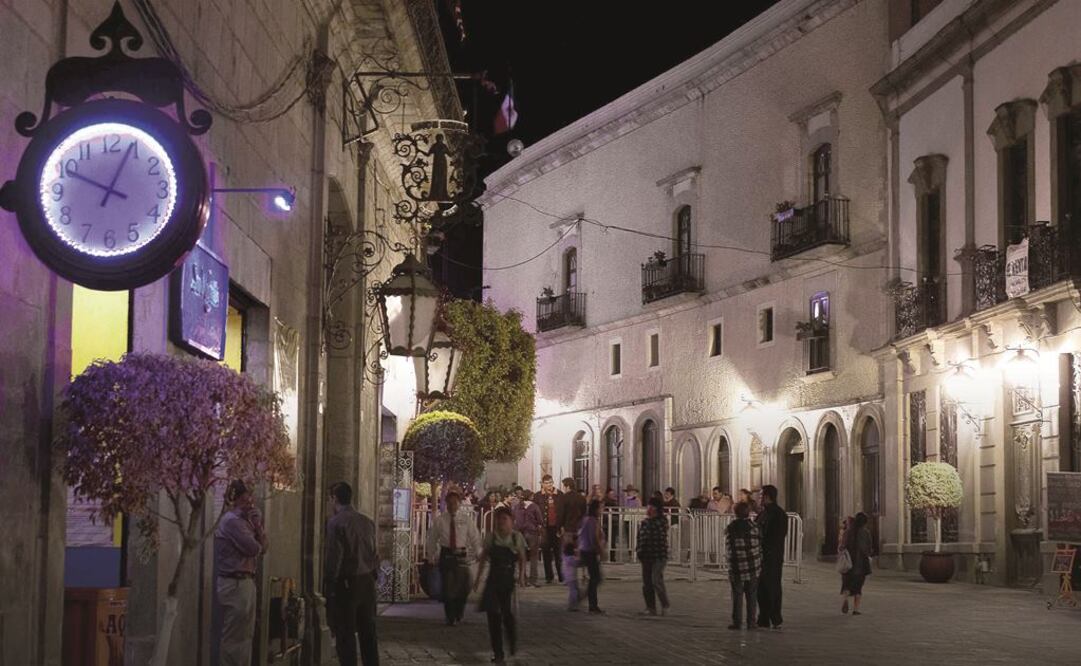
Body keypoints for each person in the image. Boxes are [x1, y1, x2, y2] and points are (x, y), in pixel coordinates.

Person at [324, 482, 380, 666]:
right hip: (368, 581)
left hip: (347, 582)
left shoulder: (336, 523)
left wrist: (330, 584)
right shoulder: (367, 521)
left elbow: (335, 557)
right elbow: (375, 553)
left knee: (345, 633)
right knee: (368, 631)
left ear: (334, 498)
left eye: (329, 499)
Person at [214, 480, 267, 666]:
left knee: (245, 636)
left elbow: (264, 547)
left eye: (250, 498)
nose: (250, 502)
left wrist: (258, 526)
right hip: (234, 583)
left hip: (245, 581)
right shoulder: (232, 522)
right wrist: (257, 532)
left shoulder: (246, 522)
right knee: (235, 639)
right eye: (245, 499)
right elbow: (254, 548)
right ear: (235, 500)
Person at [474, 507, 527, 664]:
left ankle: (512, 643)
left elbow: (522, 558)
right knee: (493, 616)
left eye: (504, 519)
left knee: (508, 615)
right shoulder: (491, 538)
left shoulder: (517, 537)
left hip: (508, 580)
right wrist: (477, 579)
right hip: (493, 580)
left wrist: (522, 576)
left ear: (512, 521)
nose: (501, 522)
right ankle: (498, 652)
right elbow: (483, 558)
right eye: (498, 519)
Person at [426, 489, 482, 625]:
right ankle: (450, 616)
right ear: (446, 504)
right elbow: (432, 539)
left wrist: (479, 552)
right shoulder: (440, 521)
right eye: (449, 503)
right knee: (448, 588)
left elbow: (474, 537)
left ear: (459, 504)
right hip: (446, 555)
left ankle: (459, 613)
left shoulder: (466, 519)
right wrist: (430, 555)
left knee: (463, 587)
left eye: (455, 503)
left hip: (461, 555)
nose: (452, 506)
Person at [755, 485, 788, 629]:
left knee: (772, 586)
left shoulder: (778, 514)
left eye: (761, 495)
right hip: (761, 555)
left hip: (772, 557)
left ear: (768, 496)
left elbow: (776, 537)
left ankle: (775, 617)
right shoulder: (762, 513)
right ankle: (763, 617)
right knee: (761, 587)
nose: (759, 498)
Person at [726, 501, 762, 630]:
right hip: (753, 566)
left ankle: (737, 622)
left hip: (736, 566)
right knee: (752, 595)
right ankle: (751, 622)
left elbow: (729, 546)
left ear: (735, 513)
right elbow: (759, 544)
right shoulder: (754, 526)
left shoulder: (731, 527)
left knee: (737, 595)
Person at [636, 497, 671, 616]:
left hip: (658, 555)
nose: (648, 508)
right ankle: (650, 607)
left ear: (655, 508)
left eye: (650, 506)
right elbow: (641, 538)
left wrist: (649, 522)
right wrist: (639, 550)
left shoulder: (661, 521)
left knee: (656, 580)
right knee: (647, 583)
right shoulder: (645, 522)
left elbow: (658, 535)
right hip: (646, 555)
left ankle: (665, 604)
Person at [840, 512, 873, 615]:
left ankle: (846, 598)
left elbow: (842, 546)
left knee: (846, 584)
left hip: (848, 563)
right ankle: (856, 609)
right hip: (861, 565)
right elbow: (868, 548)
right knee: (858, 587)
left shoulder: (847, 532)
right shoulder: (866, 533)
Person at [532, 475, 563, 583]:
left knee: (558, 552)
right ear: (542, 484)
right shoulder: (538, 496)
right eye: (546, 483)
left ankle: (561, 576)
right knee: (546, 553)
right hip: (544, 528)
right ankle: (549, 577)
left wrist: (562, 525)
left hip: (556, 527)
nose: (549, 485)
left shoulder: (559, 494)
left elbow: (563, 511)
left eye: (550, 482)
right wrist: (538, 525)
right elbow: (534, 512)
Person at [578, 499, 605, 614]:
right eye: (600, 508)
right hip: (589, 551)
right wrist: (600, 550)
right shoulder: (592, 520)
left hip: (585, 550)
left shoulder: (586, 519)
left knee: (595, 578)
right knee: (596, 578)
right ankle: (591, 604)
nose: (602, 510)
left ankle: (587, 600)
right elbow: (593, 537)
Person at [512, 488, 543, 586]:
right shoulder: (534, 506)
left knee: (522, 557)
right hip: (532, 532)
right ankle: (533, 579)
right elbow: (540, 520)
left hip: (520, 533)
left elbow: (514, 519)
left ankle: (523, 578)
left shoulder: (517, 507)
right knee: (534, 556)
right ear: (530, 496)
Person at [561, 541, 580, 610]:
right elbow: (576, 563)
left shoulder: (565, 557)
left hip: (568, 576)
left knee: (574, 590)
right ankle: (572, 605)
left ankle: (573, 604)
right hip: (572, 577)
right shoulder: (571, 558)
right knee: (574, 591)